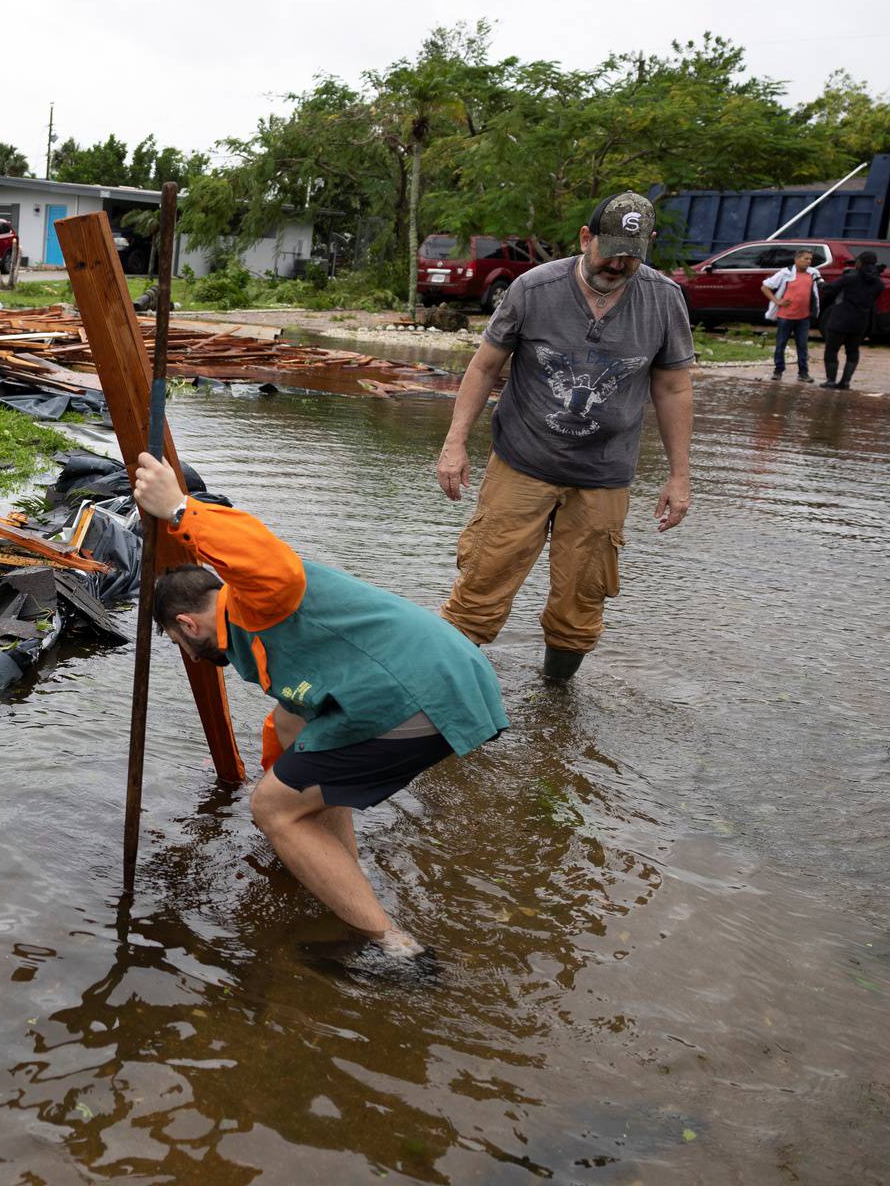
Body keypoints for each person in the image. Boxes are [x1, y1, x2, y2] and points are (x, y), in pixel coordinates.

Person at [131, 453, 509, 959]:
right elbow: (289, 727)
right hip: (449, 677)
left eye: (178, 642)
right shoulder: (256, 634)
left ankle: (391, 950)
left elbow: (271, 561)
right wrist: (285, 793)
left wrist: (178, 509)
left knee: (271, 808)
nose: (189, 655)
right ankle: (344, 874)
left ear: (188, 625)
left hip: (421, 693)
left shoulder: (255, 601)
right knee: (291, 752)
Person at [436, 191, 694, 683]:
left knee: (583, 598)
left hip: (604, 476)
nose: (618, 263)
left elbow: (673, 386)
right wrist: (454, 444)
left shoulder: (663, 299)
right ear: (585, 237)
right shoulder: (535, 288)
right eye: (610, 249)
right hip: (522, 463)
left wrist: (680, 476)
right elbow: (485, 364)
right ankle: (444, 692)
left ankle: (556, 702)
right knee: (481, 584)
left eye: (632, 254)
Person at [818, 251, 885, 391]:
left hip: (840, 320)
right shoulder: (879, 282)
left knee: (831, 350)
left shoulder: (849, 278)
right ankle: (845, 382)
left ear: (860, 262)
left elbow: (829, 290)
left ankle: (830, 381)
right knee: (853, 351)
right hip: (860, 322)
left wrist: (820, 283)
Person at [761, 248, 822, 381]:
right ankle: (778, 371)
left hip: (803, 317)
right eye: (805, 258)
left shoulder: (813, 273)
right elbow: (765, 287)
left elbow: (818, 289)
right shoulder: (785, 273)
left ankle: (803, 373)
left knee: (802, 345)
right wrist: (777, 301)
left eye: (810, 259)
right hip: (785, 316)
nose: (808, 262)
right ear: (796, 259)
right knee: (781, 344)